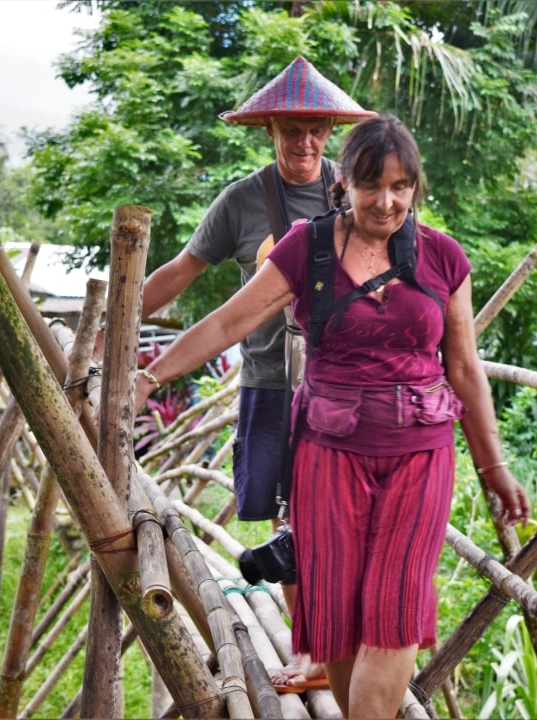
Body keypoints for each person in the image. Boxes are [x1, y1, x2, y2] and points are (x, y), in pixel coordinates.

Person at [136, 115, 530, 716]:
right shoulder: (307, 247)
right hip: (327, 453)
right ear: (343, 182)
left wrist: (493, 464)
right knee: (338, 615)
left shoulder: (444, 258)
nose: (388, 200)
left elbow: (465, 368)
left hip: (420, 453)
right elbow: (226, 322)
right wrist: (149, 375)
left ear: (417, 187)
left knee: (394, 614)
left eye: (402, 187)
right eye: (373, 185)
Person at [132, 56, 374, 689]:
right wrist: (115, 317)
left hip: (340, 388)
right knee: (286, 524)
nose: (306, 143)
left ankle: (343, 647)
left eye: (317, 130)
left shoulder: (357, 196)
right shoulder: (242, 200)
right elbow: (181, 273)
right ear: (270, 129)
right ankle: (309, 650)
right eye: (292, 129)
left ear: (331, 133)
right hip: (269, 381)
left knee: (340, 515)